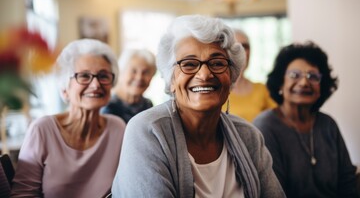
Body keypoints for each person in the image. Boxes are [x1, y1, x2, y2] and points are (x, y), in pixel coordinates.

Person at [111, 15, 285, 197]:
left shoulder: (248, 136)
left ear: (231, 77)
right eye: (189, 64)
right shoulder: (147, 130)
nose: (204, 74)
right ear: (171, 79)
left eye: (217, 63)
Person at [11, 39, 126, 197]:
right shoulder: (42, 130)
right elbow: (23, 194)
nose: (96, 85)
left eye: (103, 76)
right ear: (64, 89)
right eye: (84, 76)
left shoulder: (118, 128)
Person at [253, 41, 358, 197]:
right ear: (281, 84)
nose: (304, 82)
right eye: (294, 75)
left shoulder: (328, 125)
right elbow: (271, 192)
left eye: (313, 76)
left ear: (321, 87)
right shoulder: (265, 127)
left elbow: (348, 182)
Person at [224, 29, 276, 122]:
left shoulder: (262, 89)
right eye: (236, 46)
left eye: (245, 46)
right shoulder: (218, 91)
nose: (242, 51)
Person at [101, 48, 156, 123]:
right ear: (121, 72)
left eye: (145, 72)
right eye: (134, 71)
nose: (139, 77)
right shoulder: (107, 106)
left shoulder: (147, 105)